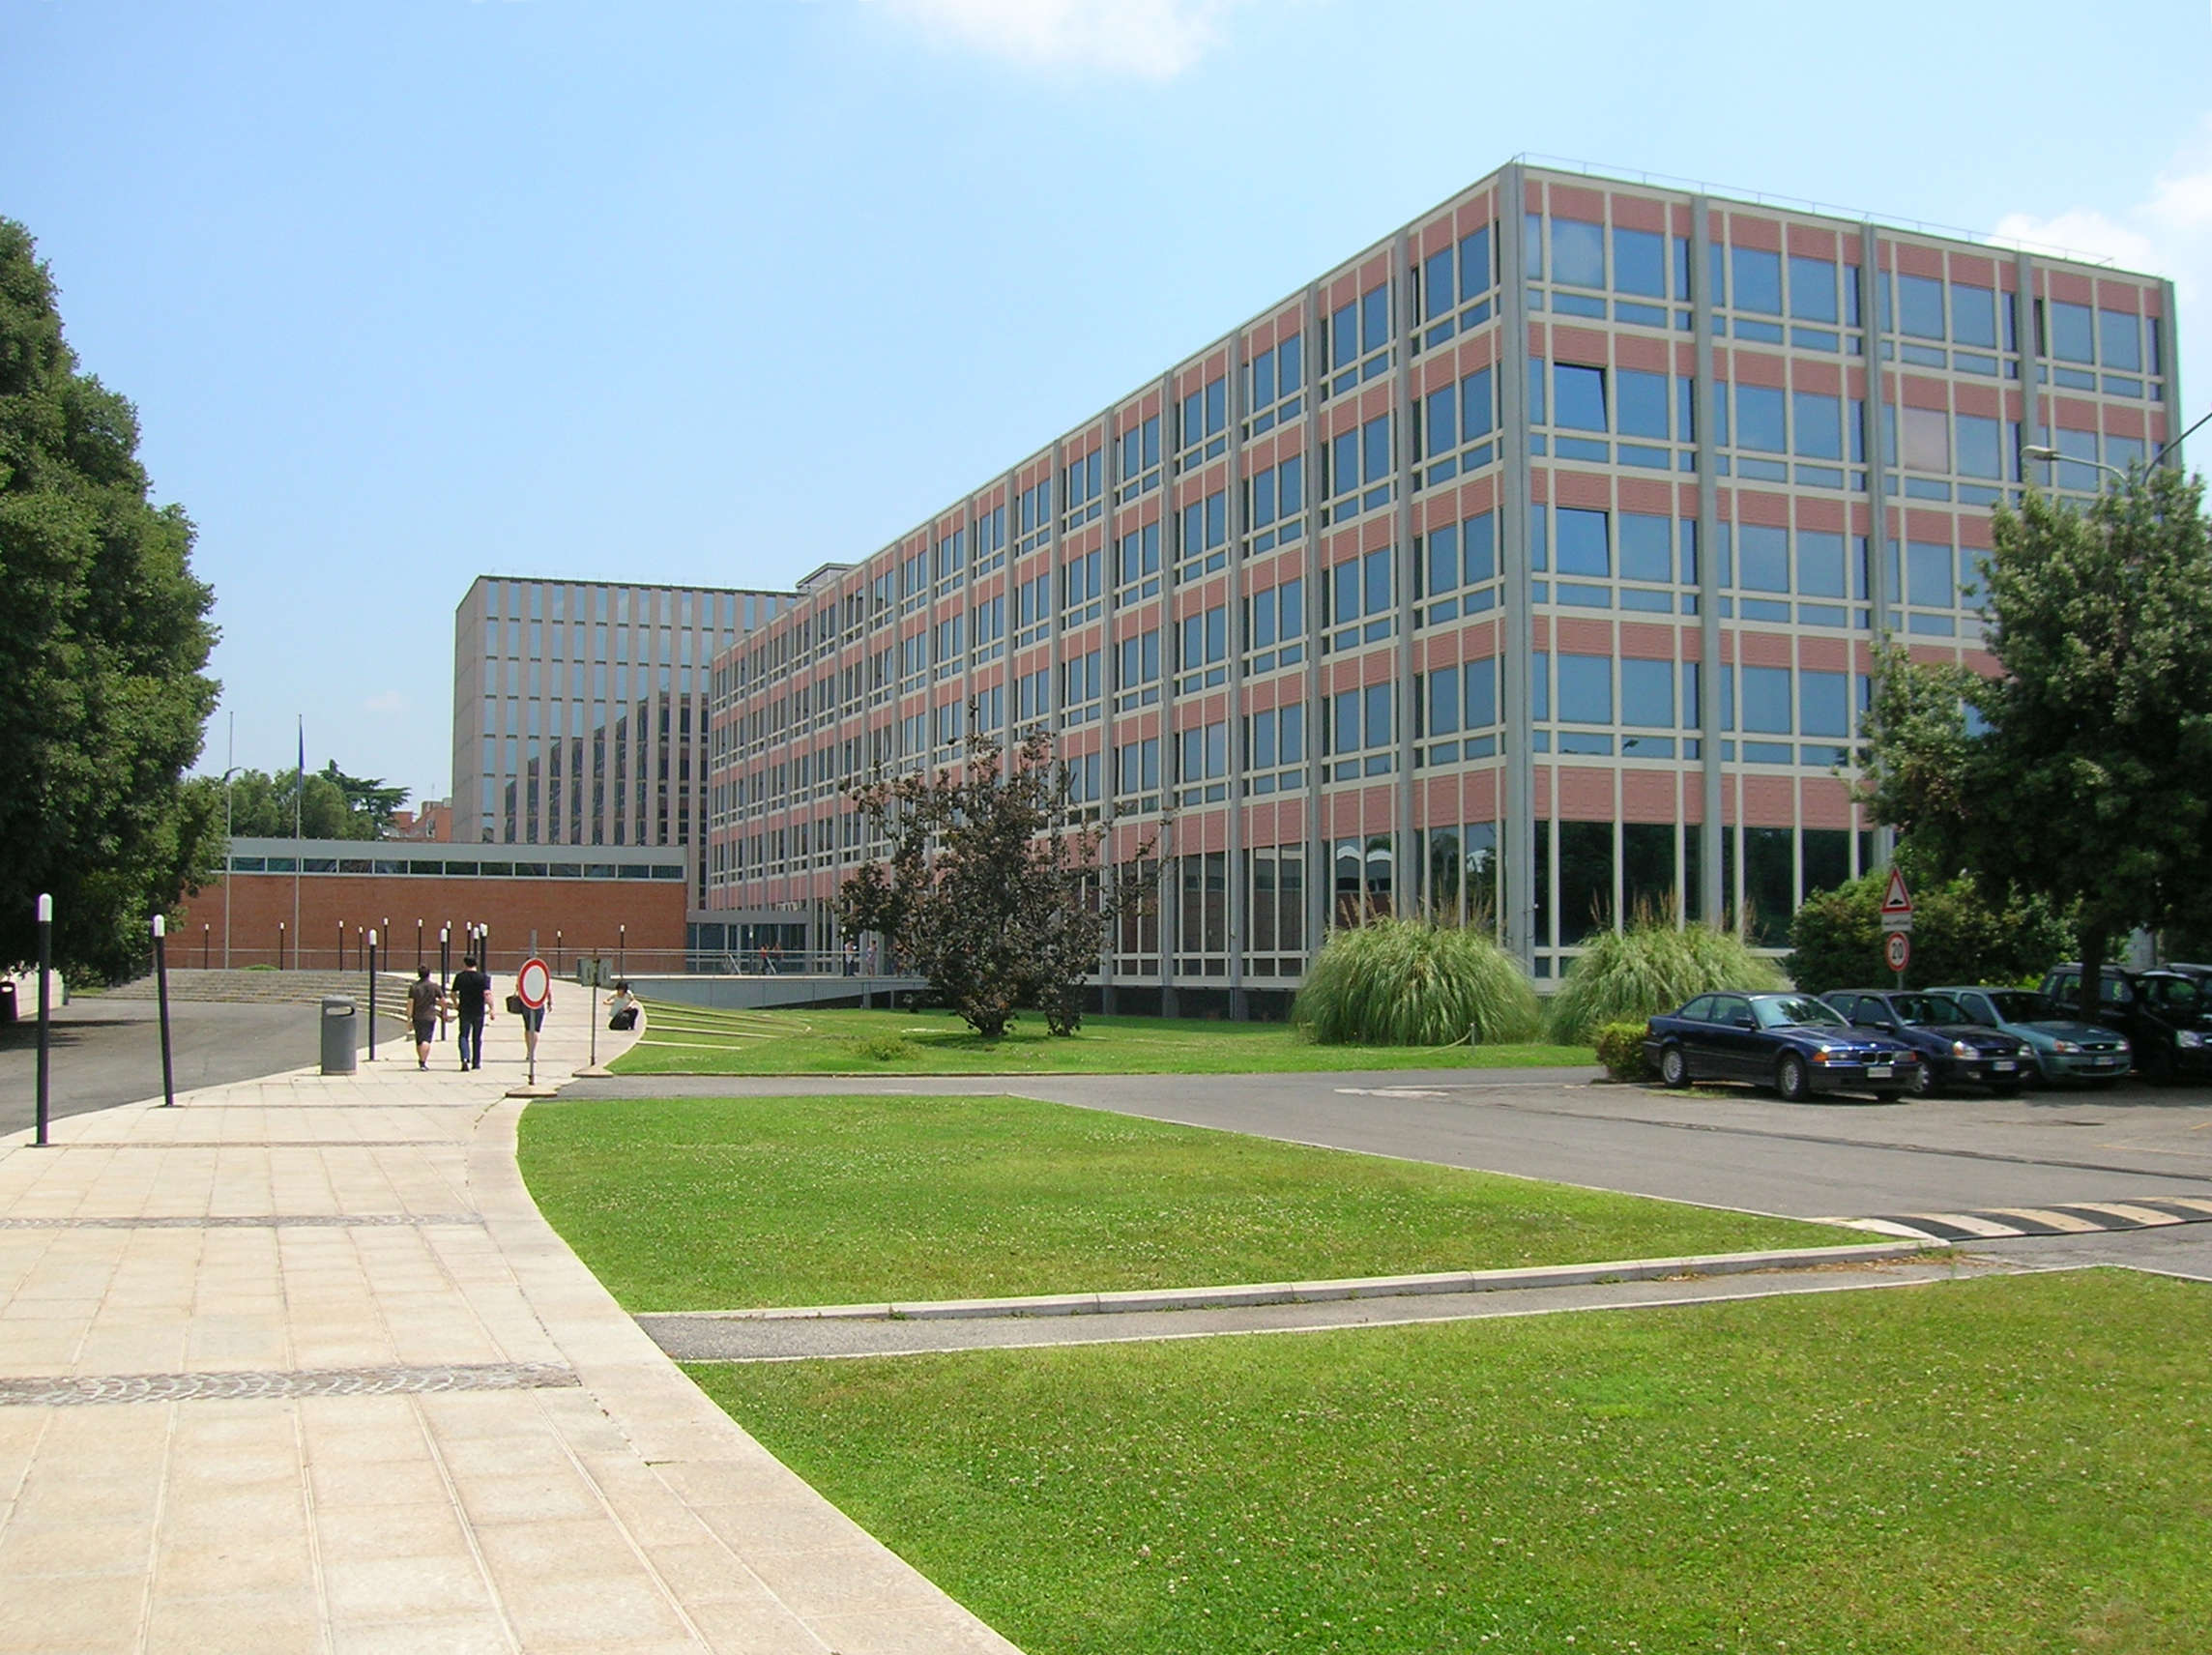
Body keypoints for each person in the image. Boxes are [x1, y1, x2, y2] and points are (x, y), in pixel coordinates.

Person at [451, 954, 494, 1070]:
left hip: (464, 1009)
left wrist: (456, 1003)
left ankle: (464, 1058)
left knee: (463, 1035)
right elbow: (487, 994)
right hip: (478, 1011)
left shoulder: (460, 977)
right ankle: (476, 1062)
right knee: (477, 1037)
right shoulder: (483, 977)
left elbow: (453, 993)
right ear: (476, 964)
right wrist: (491, 1009)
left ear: (464, 964)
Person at [405, 966, 447, 1071]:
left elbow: (410, 1003)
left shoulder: (414, 987)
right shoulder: (434, 986)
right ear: (429, 974)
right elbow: (443, 1001)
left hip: (417, 1016)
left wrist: (409, 1019)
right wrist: (444, 1012)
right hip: (430, 1016)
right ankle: (423, 1061)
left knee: (419, 1040)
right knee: (426, 1039)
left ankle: (421, 1059)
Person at [515, 968, 550, 1065]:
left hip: (526, 1003)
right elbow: (547, 988)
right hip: (538, 1003)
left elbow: (518, 987)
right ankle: (532, 1052)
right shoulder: (541, 975)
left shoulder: (523, 973)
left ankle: (528, 1051)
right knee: (535, 1029)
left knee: (527, 1028)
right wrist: (550, 1001)